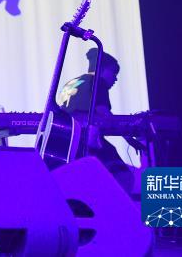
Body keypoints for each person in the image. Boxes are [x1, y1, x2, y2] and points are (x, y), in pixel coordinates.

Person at [59, 48, 140, 191]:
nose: (115, 79)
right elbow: (104, 114)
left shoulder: (73, 82)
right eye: (114, 73)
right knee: (123, 176)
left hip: (65, 141)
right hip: (87, 139)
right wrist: (128, 135)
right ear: (102, 69)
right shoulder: (98, 82)